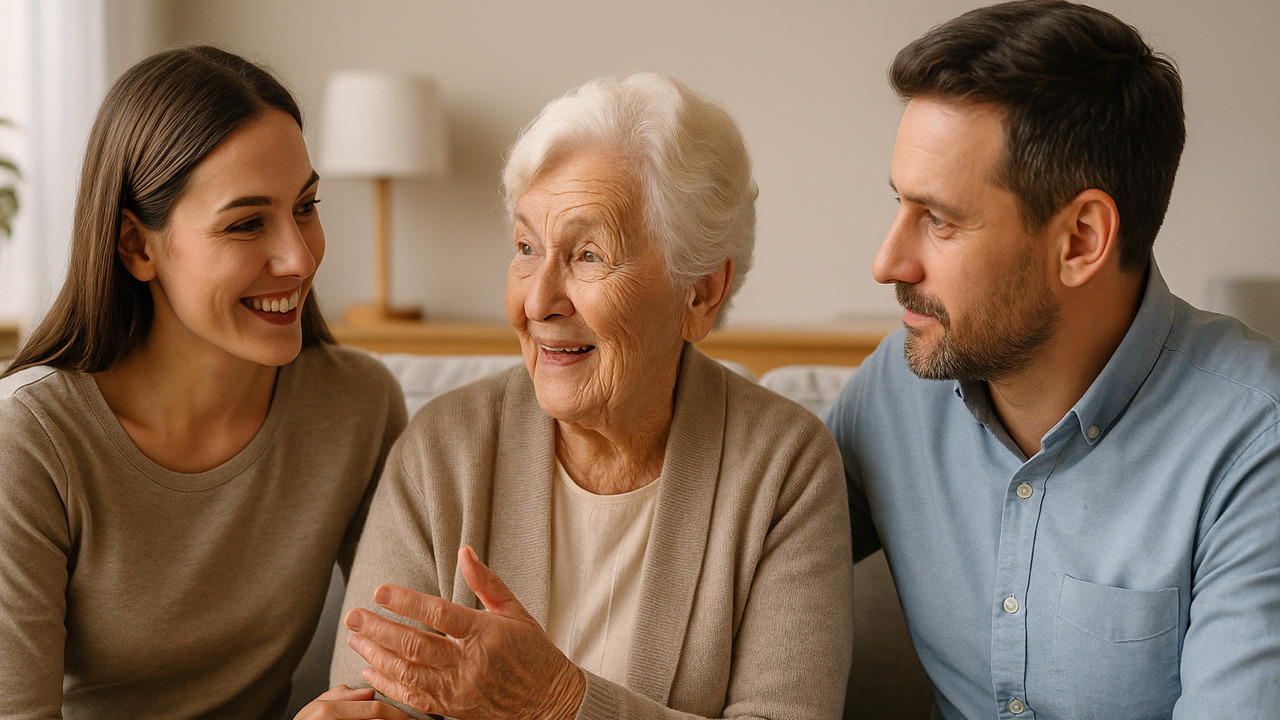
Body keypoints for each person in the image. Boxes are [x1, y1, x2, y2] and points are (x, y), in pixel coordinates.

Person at [330, 72, 854, 719]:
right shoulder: (444, 450)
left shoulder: (783, 470)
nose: (538, 300)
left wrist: (559, 703)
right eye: (526, 247)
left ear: (701, 294)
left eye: (587, 255)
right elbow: (367, 702)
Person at [824, 1, 1280, 717]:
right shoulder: (897, 387)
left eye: (939, 220)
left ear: (1080, 240)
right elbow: (751, 538)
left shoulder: (1256, 444)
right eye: (900, 206)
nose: (886, 262)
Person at [0, 46, 411, 720]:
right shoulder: (31, 441)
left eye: (306, 206)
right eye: (247, 223)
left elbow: (396, 672)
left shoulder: (357, 406)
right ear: (137, 246)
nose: (300, 256)